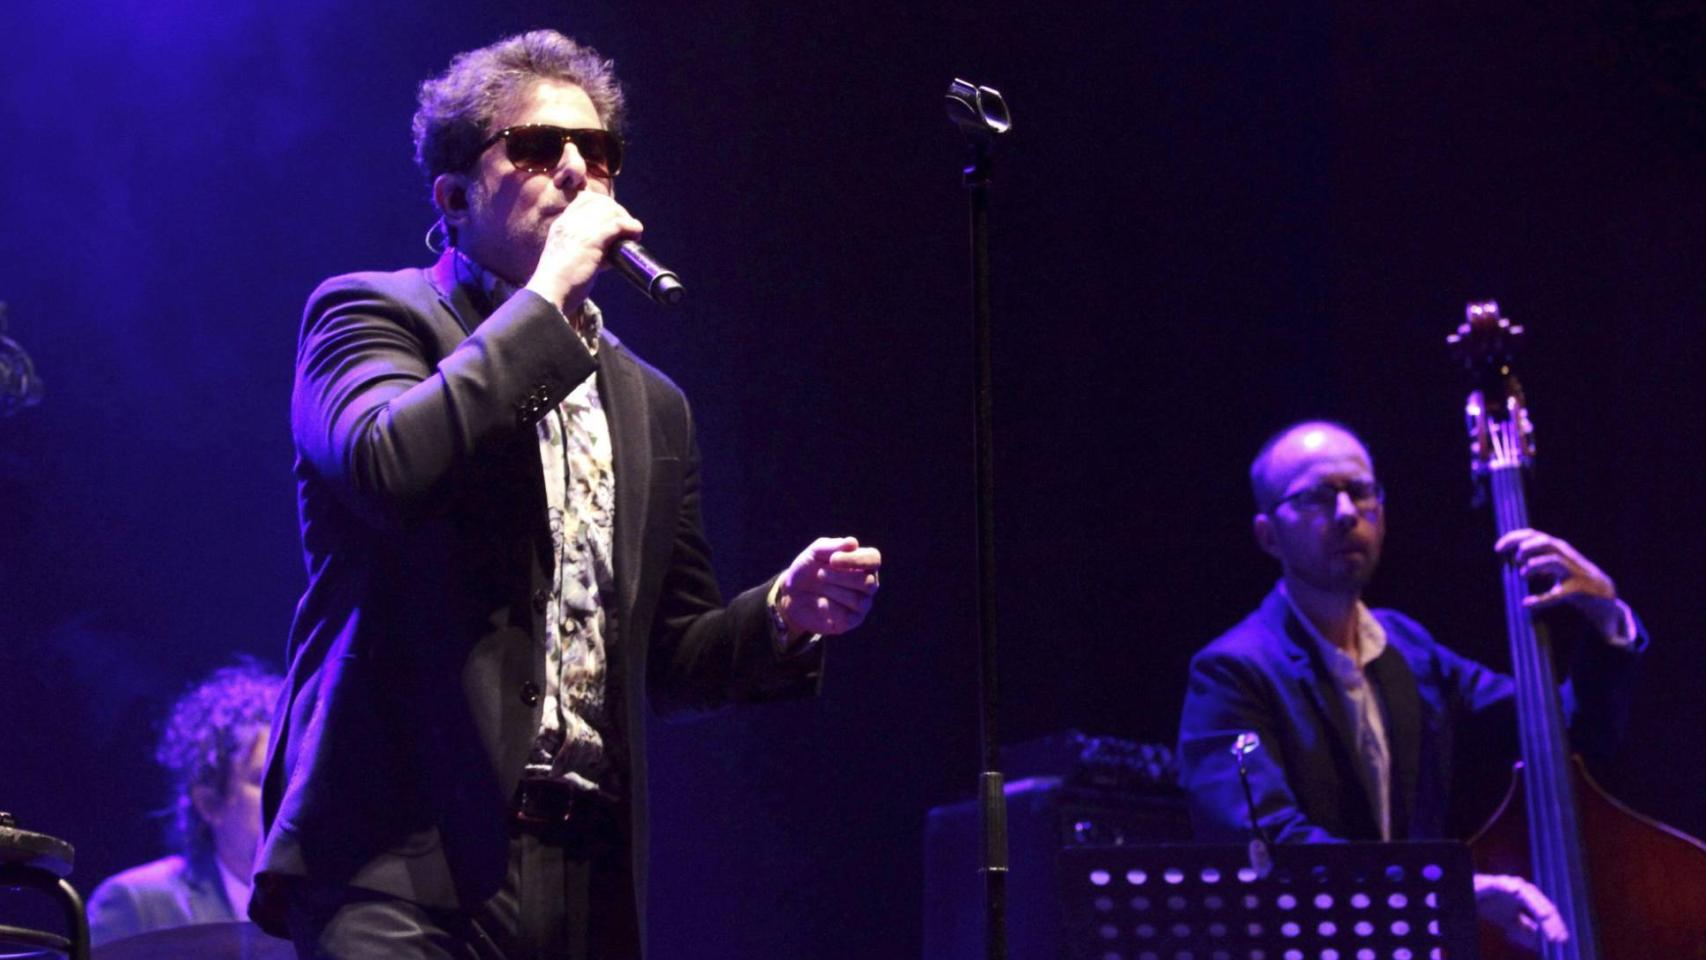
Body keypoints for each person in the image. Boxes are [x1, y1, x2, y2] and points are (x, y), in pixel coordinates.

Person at [248, 29, 883, 960]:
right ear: (454, 197)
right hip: (397, 856)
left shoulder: (652, 403)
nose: (579, 171)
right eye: (541, 148)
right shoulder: (370, 315)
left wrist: (782, 616)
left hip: (584, 870)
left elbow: (669, 657)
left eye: (600, 152)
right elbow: (389, 465)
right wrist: (546, 298)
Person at [1176, 420, 1643, 949]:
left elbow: (1563, 734)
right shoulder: (1230, 673)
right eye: (1316, 497)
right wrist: (1437, 890)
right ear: (1268, 535)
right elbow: (1267, 844)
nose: (1347, 512)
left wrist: (1607, 618)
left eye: (1361, 491)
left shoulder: (1407, 648)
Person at [85, 662, 282, 946]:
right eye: (262, 779)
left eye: (292, 778)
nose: (285, 795)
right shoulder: (136, 903)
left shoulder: (320, 909)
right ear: (208, 803)